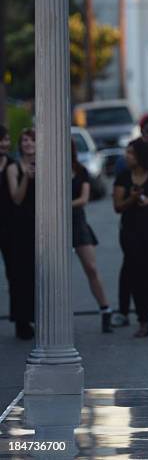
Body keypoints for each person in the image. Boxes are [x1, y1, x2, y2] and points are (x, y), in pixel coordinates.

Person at [112, 113, 148, 327]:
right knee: (132, 272)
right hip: (131, 230)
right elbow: (117, 204)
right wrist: (132, 198)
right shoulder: (123, 171)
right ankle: (132, 314)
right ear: (142, 131)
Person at [71, 139, 113, 333]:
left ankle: (105, 309)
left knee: (91, 267)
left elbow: (84, 198)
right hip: (53, 226)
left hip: (77, 222)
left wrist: (63, 205)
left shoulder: (80, 170)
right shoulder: (47, 169)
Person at [6, 128, 36, 339]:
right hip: (19, 227)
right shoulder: (13, 167)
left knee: (42, 274)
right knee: (19, 275)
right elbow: (16, 197)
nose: (28, 144)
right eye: (24, 140)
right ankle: (22, 320)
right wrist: (27, 176)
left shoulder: (46, 163)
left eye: (32, 140)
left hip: (42, 225)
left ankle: (40, 317)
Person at [0, 126, 14, 322]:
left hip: (11, 226)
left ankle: (20, 319)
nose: (4, 144)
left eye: (6, 139)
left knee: (15, 273)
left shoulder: (13, 165)